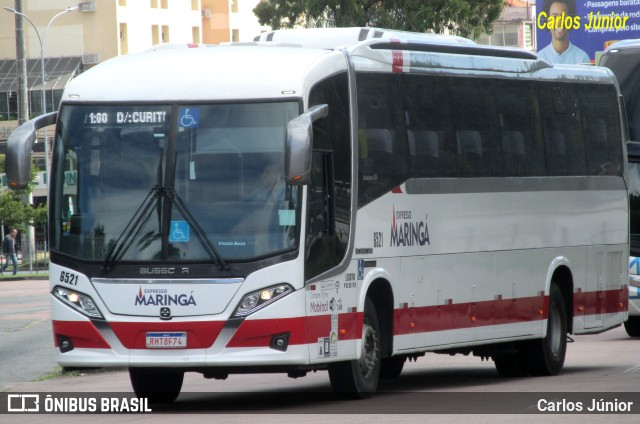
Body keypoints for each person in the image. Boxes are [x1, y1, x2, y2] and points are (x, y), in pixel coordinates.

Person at [537, 0, 590, 64]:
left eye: (564, 16)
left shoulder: (582, 58)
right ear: (547, 20)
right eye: (554, 16)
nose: (559, 22)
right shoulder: (540, 59)